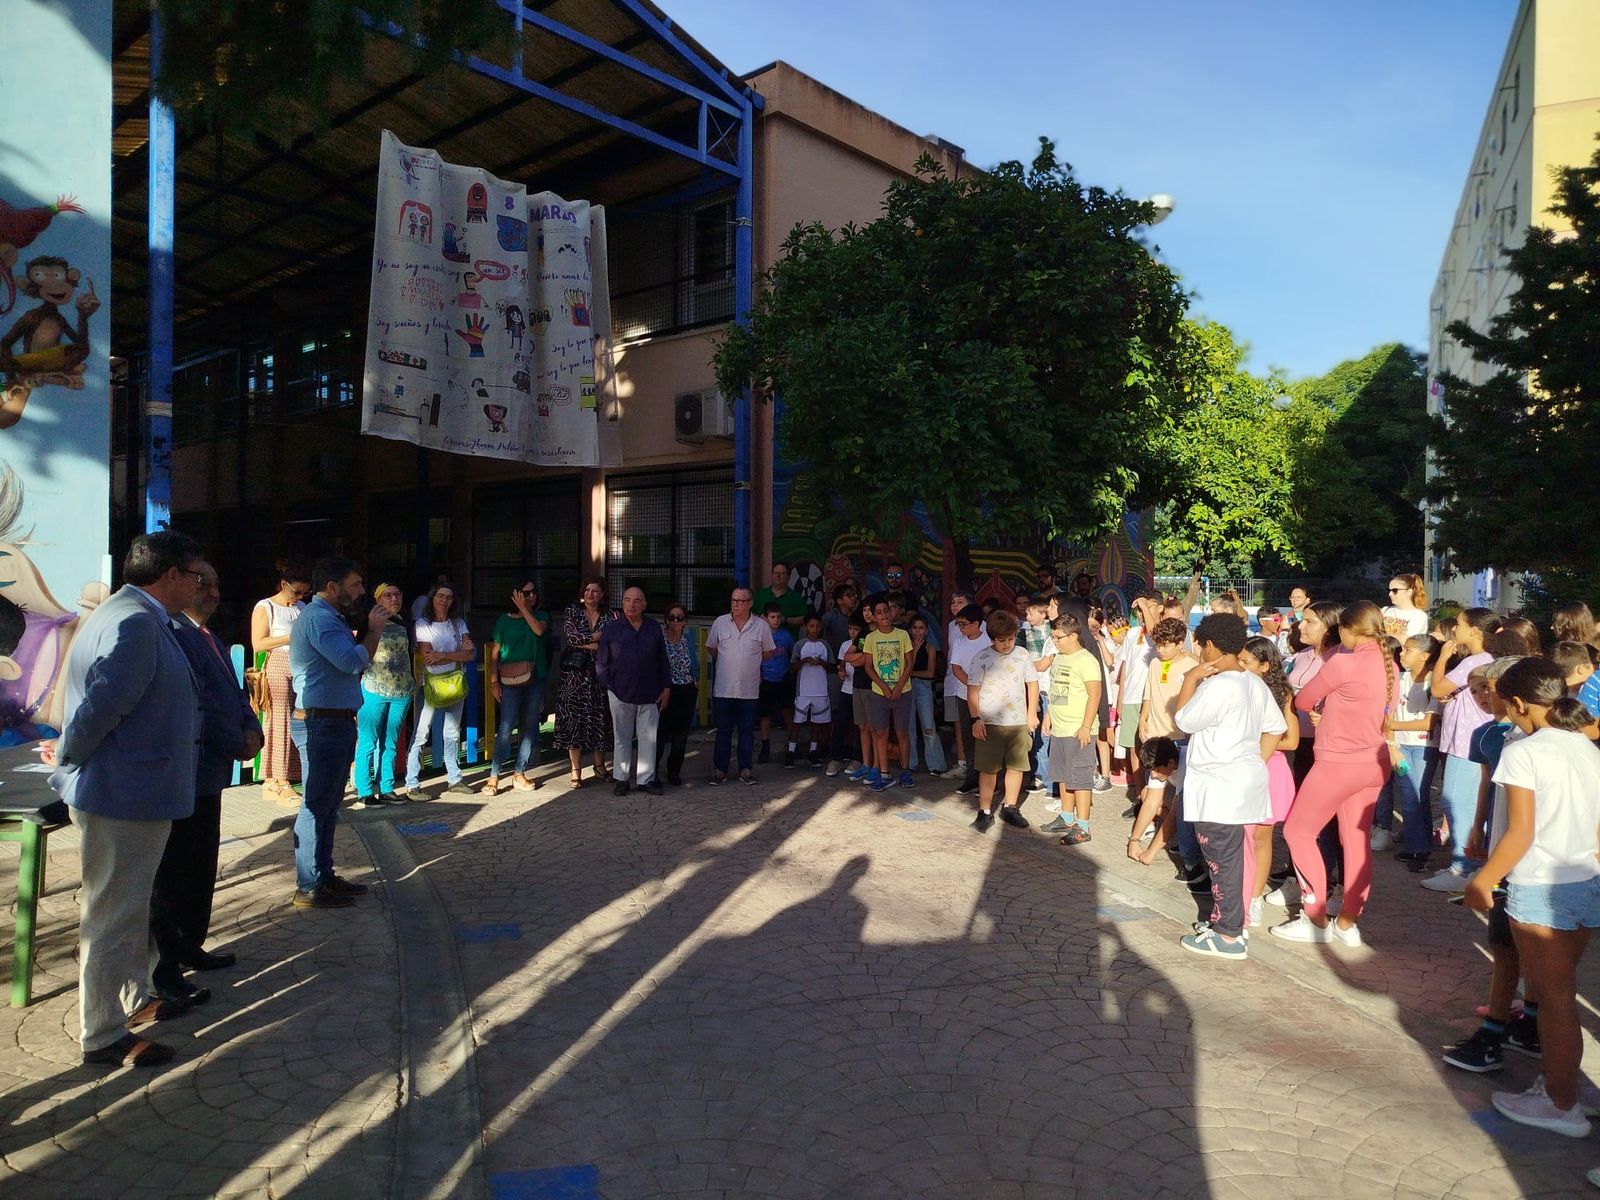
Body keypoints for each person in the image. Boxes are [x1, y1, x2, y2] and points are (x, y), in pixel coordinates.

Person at [46, 532, 205, 1067]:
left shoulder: (132, 613)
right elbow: (104, 704)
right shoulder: (136, 622)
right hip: (122, 794)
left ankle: (134, 1001)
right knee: (111, 916)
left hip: (130, 790)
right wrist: (68, 753)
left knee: (127, 909)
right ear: (170, 576)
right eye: (194, 576)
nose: (199, 586)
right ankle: (102, 1034)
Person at [1464, 658, 1600, 1137]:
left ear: (1518, 703)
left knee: (1557, 999)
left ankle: (1561, 1103)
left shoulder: (1524, 752)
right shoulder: (1586, 746)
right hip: (1586, 882)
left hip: (1542, 885)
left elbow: (1520, 832)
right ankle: (1565, 1084)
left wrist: (1482, 881)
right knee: (1559, 995)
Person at [152, 558, 263, 1002]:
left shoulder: (212, 637)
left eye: (217, 584)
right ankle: (167, 965)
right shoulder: (175, 635)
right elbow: (200, 703)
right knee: (174, 874)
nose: (214, 592)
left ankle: (191, 945)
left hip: (212, 774)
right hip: (188, 772)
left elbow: (235, 694)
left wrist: (253, 727)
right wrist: (235, 740)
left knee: (201, 868)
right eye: (204, 583)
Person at [1273, 600, 1394, 947]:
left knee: (1298, 831)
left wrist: (1326, 710)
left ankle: (1314, 917)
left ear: (1345, 630)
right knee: (1355, 842)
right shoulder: (1387, 665)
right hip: (1373, 761)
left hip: (1339, 762)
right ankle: (1347, 922)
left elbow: (1303, 700)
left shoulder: (1344, 662)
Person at [1173, 614, 1287, 960]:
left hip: (1219, 786)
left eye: (1199, 644)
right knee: (1231, 856)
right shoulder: (1253, 682)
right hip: (1242, 781)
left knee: (1221, 859)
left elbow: (1183, 721)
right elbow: (1275, 728)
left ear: (1211, 646)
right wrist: (1253, 760)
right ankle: (1229, 923)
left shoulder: (1218, 685)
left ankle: (1227, 935)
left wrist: (1191, 678)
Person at [1444, 656, 1534, 1074]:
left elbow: (1523, 826)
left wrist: (1490, 875)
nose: (1483, 696)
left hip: (1521, 866)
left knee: (1507, 950)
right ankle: (1529, 1027)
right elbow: (1489, 788)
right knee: (1523, 952)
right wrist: (1479, 827)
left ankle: (1495, 1035)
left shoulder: (1523, 745)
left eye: (1490, 688)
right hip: (1521, 860)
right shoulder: (1498, 736)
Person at [289, 556, 389, 909]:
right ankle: (309, 884)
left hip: (333, 721)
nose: (361, 591)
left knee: (329, 803)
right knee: (316, 804)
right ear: (332, 587)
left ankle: (323, 876)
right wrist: (374, 632)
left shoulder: (329, 618)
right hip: (321, 723)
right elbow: (350, 662)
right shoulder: (320, 620)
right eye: (355, 585)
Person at [1422, 606, 1498, 892]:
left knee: (1457, 802)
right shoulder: (1480, 660)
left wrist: (1441, 658)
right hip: (1468, 739)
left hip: (1467, 741)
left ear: (1476, 631)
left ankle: (1463, 867)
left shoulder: (1476, 661)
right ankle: (1470, 864)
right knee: (1466, 802)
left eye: (1462, 625)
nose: (1457, 629)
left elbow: (1438, 689)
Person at [1238, 635, 1299, 925]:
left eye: (1246, 662)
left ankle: (1254, 897)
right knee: (1240, 836)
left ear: (1264, 666)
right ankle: (1235, 892)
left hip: (1269, 770)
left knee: (1260, 837)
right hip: (1241, 770)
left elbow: (1291, 740)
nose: (1240, 666)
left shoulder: (1282, 693)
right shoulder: (1235, 687)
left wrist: (1257, 745)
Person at [966, 609, 1038, 832]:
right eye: (1001, 640)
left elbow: (1032, 684)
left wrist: (1032, 713)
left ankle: (1011, 806)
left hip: (1017, 722)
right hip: (990, 722)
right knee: (988, 769)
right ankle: (985, 811)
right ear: (992, 638)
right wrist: (976, 718)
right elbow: (973, 690)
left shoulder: (1023, 655)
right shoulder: (982, 658)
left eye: (1011, 638)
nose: (1007, 644)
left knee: (1016, 767)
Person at [595, 586, 670, 796]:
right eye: (627, 600)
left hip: (651, 692)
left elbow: (663, 658)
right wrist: (609, 686)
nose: (631, 604)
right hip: (620, 693)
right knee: (622, 737)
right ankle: (622, 779)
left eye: (637, 600)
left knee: (648, 738)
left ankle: (646, 780)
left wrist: (666, 687)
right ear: (622, 602)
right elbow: (601, 663)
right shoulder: (612, 628)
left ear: (644, 605)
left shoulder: (653, 627)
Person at [403, 581, 475, 796]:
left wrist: (442, 654)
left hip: (454, 682)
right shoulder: (423, 624)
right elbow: (427, 658)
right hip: (431, 685)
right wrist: (456, 653)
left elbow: (470, 654)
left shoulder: (458, 622)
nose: (444, 600)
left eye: (449, 597)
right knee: (421, 734)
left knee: (452, 733)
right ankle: (411, 783)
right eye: (440, 596)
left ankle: (454, 778)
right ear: (432, 598)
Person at [1038, 614, 1102, 845]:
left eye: (1058, 637)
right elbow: (1054, 690)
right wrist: (1048, 716)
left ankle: (1082, 826)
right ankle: (1066, 817)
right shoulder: (1059, 658)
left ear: (1074, 636)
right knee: (1063, 776)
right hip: (1060, 727)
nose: (1055, 641)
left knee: (1080, 778)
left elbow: (1095, 694)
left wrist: (1086, 726)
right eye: (1053, 636)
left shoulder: (1086, 660)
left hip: (1078, 729)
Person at [706, 586, 779, 785]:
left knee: (746, 730)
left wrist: (749, 663)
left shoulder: (761, 626)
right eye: (734, 600)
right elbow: (712, 648)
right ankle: (720, 770)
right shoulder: (720, 623)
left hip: (748, 689)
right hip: (724, 688)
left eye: (741, 601)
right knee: (723, 731)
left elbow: (768, 652)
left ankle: (745, 769)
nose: (736, 604)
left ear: (750, 603)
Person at [486, 579, 551, 795]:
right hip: (510, 681)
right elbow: (495, 652)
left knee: (530, 726)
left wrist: (525, 609)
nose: (532, 596)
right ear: (514, 595)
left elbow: (539, 631)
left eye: (534, 593)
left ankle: (519, 772)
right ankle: (494, 776)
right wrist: (494, 680)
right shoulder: (503, 621)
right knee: (505, 727)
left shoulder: (541, 616)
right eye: (526, 593)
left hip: (536, 678)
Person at [251, 562, 309, 803]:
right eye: (296, 591)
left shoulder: (302, 607)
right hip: (278, 662)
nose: (299, 597)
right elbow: (259, 643)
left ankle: (283, 776)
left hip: (300, 665)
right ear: (284, 585)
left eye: (304, 593)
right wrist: (290, 636)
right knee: (280, 720)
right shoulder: (266, 607)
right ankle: (278, 778)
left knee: (298, 719)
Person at [1382, 634, 1441, 867]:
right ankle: (1419, 845)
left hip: (1425, 746)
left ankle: (1418, 848)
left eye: (1408, 650)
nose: (1402, 653)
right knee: (1411, 795)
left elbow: (1428, 723)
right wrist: (1392, 745)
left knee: (1415, 795)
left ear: (1425, 656)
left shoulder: (1434, 683)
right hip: (1401, 745)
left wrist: (1392, 726)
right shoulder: (1400, 679)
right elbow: (1388, 712)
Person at [353, 583, 412, 806]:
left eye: (397, 594)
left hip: (400, 689)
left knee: (391, 741)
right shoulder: (368, 622)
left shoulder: (403, 622)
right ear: (378, 600)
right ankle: (365, 790)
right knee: (368, 740)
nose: (394, 598)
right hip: (374, 688)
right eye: (388, 595)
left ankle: (387, 787)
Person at [555, 578, 616, 787]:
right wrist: (595, 639)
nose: (591, 594)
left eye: (596, 591)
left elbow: (610, 641)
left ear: (602, 594)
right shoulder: (573, 611)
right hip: (574, 675)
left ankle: (600, 766)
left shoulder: (610, 615)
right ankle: (575, 769)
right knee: (574, 719)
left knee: (601, 718)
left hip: (599, 673)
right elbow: (572, 638)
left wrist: (591, 641)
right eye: (588, 590)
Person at [863, 598, 915, 792]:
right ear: (874, 617)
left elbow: (909, 662)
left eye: (886, 610)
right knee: (881, 732)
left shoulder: (902, 635)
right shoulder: (870, 638)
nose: (884, 615)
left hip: (903, 691)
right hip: (879, 693)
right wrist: (884, 687)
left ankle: (905, 770)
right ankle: (884, 774)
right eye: (879, 612)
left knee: (902, 732)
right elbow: (868, 666)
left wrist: (899, 685)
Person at [948, 603, 990, 795]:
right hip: (963, 695)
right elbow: (956, 669)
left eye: (964, 624)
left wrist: (981, 689)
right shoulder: (959, 642)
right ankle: (971, 778)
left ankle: (988, 781)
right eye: (959, 624)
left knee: (987, 740)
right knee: (968, 737)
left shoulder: (989, 641)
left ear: (977, 624)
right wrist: (972, 686)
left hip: (987, 696)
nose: (961, 628)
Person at [658, 601, 699, 787]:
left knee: (680, 735)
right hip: (665, 689)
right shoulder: (660, 638)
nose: (675, 621)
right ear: (666, 620)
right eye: (672, 617)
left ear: (685, 621)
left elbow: (694, 660)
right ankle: (652, 772)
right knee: (660, 733)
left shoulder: (688, 637)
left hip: (686, 689)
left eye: (679, 618)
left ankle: (674, 771)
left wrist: (695, 678)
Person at [821, 584, 859, 774]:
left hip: (861, 685)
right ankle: (833, 755)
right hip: (837, 674)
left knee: (859, 723)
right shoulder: (830, 617)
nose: (853, 598)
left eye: (855, 595)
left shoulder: (861, 624)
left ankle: (855, 756)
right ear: (838, 600)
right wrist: (836, 667)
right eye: (848, 595)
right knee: (838, 717)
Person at [905, 614, 948, 776]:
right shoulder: (906, 645)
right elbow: (905, 667)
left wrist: (911, 673)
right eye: (915, 628)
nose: (918, 632)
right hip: (907, 686)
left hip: (923, 687)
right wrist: (914, 650)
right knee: (908, 727)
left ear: (926, 630)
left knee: (928, 725)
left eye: (921, 628)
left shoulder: (930, 647)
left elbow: (930, 673)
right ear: (910, 630)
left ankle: (936, 763)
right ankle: (909, 763)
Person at [788, 613, 832, 767]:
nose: (814, 629)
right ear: (805, 627)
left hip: (821, 690)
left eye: (817, 626)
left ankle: (813, 751)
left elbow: (832, 667)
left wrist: (821, 663)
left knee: (817, 722)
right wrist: (804, 661)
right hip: (803, 690)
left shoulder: (825, 645)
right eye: (811, 626)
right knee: (797, 721)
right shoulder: (800, 645)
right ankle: (791, 751)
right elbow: (792, 668)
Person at [757, 602, 796, 763]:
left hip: (784, 678)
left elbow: (793, 654)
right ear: (765, 618)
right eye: (772, 617)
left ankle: (792, 746)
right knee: (765, 715)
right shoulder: (759, 637)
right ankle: (765, 748)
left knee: (788, 712)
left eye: (778, 617)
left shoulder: (786, 636)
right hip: (766, 679)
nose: (776, 620)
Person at [943, 591, 973, 773]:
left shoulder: (982, 627)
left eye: (960, 602)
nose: (954, 605)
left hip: (973, 682)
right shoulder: (950, 626)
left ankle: (976, 765)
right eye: (952, 602)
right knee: (958, 723)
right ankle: (962, 763)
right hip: (953, 680)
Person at [753, 562, 806, 632]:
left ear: (788, 577)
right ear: (771, 575)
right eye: (776, 573)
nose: (778, 575)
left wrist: (785, 620)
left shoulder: (796, 597)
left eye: (782, 573)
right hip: (761, 639)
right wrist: (760, 618)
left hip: (787, 641)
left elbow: (805, 620)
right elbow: (748, 614)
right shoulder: (760, 595)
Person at [1383, 574, 1430, 640]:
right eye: (1388, 590)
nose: (1390, 594)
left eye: (1395, 591)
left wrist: (1379, 635)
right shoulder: (1385, 610)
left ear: (1409, 592)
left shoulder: (1419, 616)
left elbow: (1407, 640)